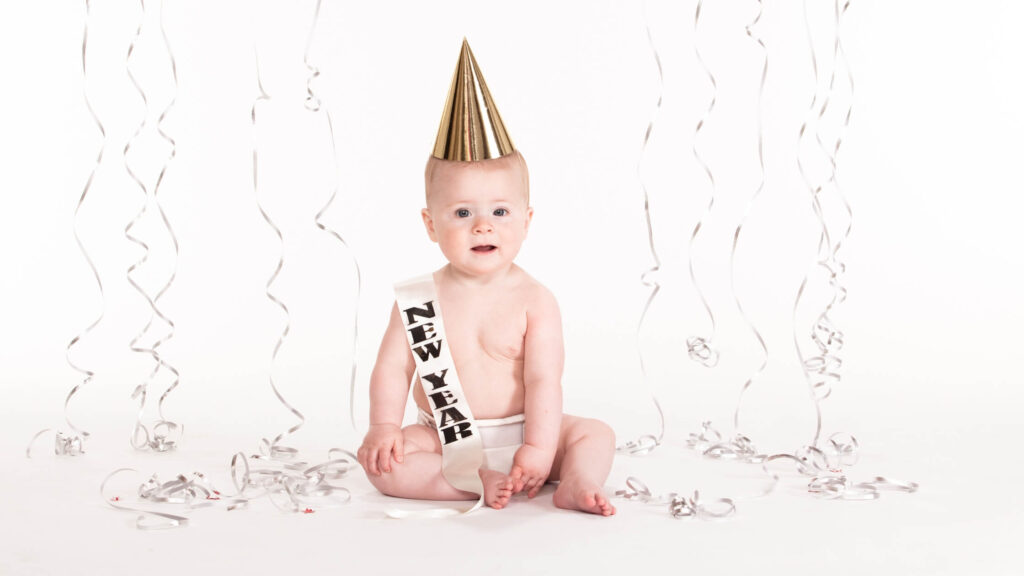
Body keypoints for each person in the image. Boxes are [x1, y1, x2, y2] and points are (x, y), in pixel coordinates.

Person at [356, 39, 616, 516]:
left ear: (526, 220)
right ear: (431, 225)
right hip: (442, 437)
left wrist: (539, 450)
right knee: (385, 468)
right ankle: (470, 483)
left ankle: (574, 480)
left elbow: (543, 380)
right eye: (462, 212)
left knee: (594, 434)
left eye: (500, 211)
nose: (483, 225)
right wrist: (383, 428)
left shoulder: (535, 300)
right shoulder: (417, 298)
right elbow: (392, 369)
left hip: (522, 431)